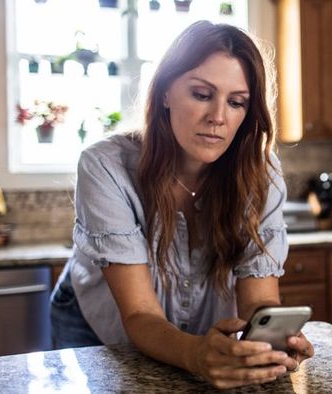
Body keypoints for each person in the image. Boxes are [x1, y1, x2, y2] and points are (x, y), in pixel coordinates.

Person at [50, 20, 313, 389]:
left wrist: (272, 340)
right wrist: (195, 355)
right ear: (165, 93)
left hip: (197, 330)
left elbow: (260, 299)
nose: (218, 117)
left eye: (236, 102)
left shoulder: (259, 170)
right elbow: (140, 313)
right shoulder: (105, 165)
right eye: (202, 94)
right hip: (96, 320)